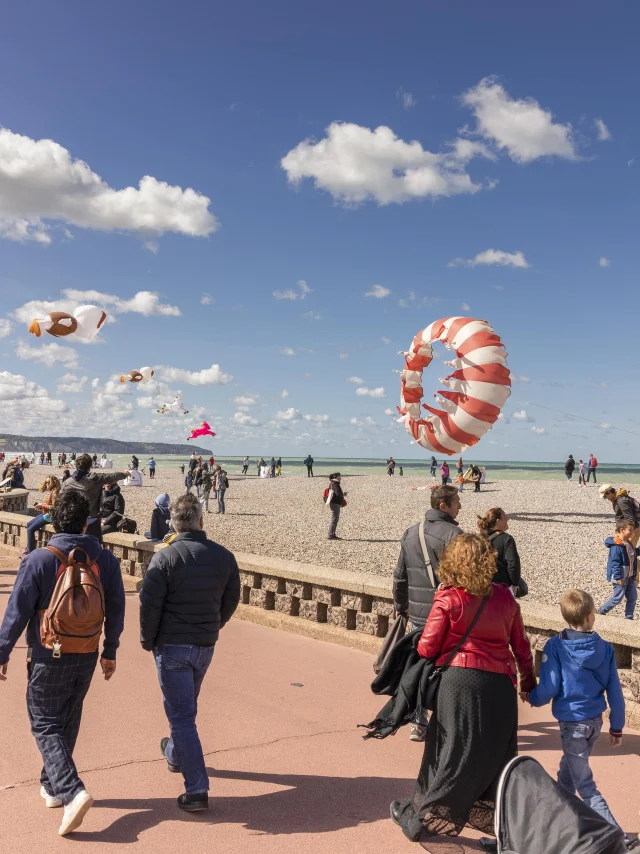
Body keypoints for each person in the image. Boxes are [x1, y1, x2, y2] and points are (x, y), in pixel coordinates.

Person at [390, 533, 536, 844]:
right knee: (499, 760)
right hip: (500, 686)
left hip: (460, 683)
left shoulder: (450, 597)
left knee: (449, 754)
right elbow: (521, 648)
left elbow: (428, 648)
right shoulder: (506, 598)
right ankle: (503, 834)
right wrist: (528, 681)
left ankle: (420, 820)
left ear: (454, 562)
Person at [0, 491, 125, 836]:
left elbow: (17, 611)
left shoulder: (39, 560)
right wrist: (110, 650)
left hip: (47, 652)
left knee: (44, 723)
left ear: (53, 521)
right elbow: (116, 609)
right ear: (87, 522)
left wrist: (2, 652)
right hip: (86, 651)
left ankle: (71, 792)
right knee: (68, 717)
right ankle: (52, 786)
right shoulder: (106, 559)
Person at [139, 494, 240, 811]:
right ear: (200, 521)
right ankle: (174, 754)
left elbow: (149, 605)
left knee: (182, 716)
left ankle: (197, 789)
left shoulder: (165, 558)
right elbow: (231, 600)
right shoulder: (224, 557)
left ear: (173, 523)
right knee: (185, 709)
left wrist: (148, 640)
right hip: (204, 645)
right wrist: (214, 625)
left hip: (172, 646)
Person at [527, 589, 627, 842]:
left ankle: (618, 835)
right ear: (592, 616)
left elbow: (548, 687)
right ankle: (555, 824)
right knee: (567, 776)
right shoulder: (605, 648)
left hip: (572, 724)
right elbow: (615, 691)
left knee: (586, 786)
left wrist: (531, 697)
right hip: (594, 723)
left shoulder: (556, 646)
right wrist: (617, 728)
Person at [393, 484, 462, 741]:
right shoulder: (455, 535)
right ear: (443, 506)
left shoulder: (411, 533)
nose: (460, 507)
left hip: (419, 615)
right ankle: (446, 721)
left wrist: (401, 606)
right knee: (447, 667)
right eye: (456, 502)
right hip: (446, 615)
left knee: (421, 665)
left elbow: (399, 575)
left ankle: (418, 720)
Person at [59, 454, 129, 542]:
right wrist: (124, 474)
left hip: (72, 518)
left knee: (73, 545)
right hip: (91, 519)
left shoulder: (67, 482)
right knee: (95, 549)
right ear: (90, 466)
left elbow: (60, 500)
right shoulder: (95, 478)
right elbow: (112, 476)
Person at [598, 520, 639, 620]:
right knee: (618, 597)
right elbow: (615, 563)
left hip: (629, 577)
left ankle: (629, 617)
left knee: (633, 596)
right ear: (622, 530)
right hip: (620, 577)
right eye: (630, 530)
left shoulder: (627, 543)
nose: (632, 533)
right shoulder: (616, 546)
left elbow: (632, 555)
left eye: (633, 530)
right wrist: (618, 577)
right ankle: (601, 610)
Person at [477, 508, 521, 593]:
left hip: (483, 584)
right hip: (502, 586)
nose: (507, 519)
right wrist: (515, 584)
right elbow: (513, 564)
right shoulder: (506, 539)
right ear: (498, 521)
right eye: (504, 517)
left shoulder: (479, 538)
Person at [23, 475, 61, 556]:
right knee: (29, 524)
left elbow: (54, 508)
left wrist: (42, 505)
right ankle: (29, 547)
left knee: (30, 530)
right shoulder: (52, 492)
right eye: (46, 482)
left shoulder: (54, 494)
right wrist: (41, 507)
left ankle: (30, 552)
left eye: (48, 482)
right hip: (46, 514)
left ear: (53, 483)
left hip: (50, 517)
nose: (46, 484)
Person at [326, 473, 346, 540]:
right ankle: (331, 535)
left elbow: (335, 493)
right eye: (339, 476)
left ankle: (332, 534)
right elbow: (338, 493)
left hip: (333, 503)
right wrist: (342, 495)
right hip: (335, 503)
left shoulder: (332, 483)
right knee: (334, 519)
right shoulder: (335, 484)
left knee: (335, 519)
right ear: (336, 477)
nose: (340, 478)